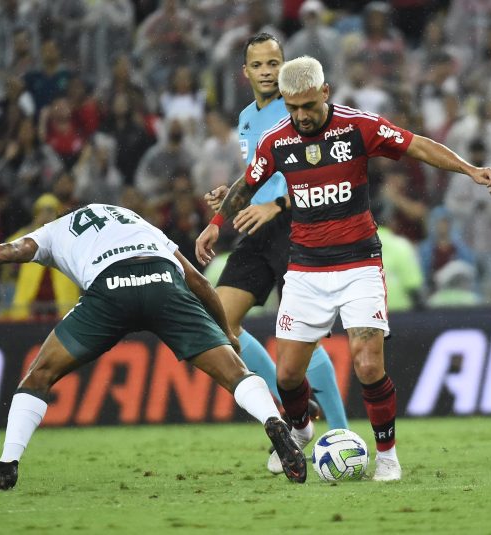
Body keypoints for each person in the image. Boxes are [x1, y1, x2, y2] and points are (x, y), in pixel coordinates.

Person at [195, 56, 491, 482]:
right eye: (292, 107)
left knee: (368, 364)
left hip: (359, 264)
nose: (300, 115)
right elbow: (248, 184)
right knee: (287, 375)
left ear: (325, 92)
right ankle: (301, 428)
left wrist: (468, 169)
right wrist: (214, 225)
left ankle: (388, 456)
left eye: (308, 106)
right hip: (304, 269)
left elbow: (417, 144)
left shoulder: (359, 127)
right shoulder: (276, 140)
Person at [0, 203, 307, 490]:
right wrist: (227, 335)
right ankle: (273, 423)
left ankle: (6, 467)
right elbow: (199, 283)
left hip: (111, 289)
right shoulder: (134, 220)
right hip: (162, 281)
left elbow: (13, 251)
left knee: (39, 375)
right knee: (235, 373)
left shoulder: (56, 230)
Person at [205, 34, 349, 477]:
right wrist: (223, 209)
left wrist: (276, 204)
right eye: (258, 64)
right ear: (244, 72)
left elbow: (312, 172)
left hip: (296, 226)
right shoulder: (248, 117)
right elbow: (258, 175)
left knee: (301, 336)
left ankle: (341, 434)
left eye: (274, 63)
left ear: (286, 67)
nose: (267, 71)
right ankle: (294, 412)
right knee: (219, 324)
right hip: (254, 229)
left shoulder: (300, 112)